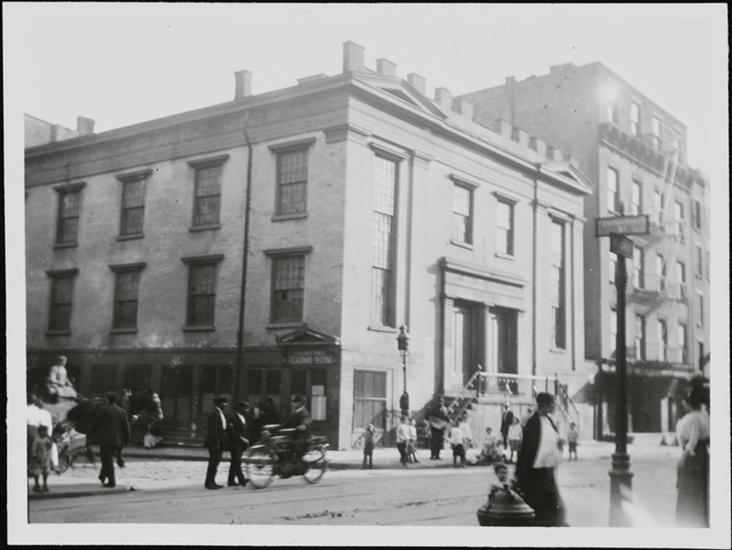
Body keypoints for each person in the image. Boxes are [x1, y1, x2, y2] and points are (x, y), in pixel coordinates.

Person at [515, 392, 568, 527]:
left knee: (553, 506)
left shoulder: (550, 420)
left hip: (548, 471)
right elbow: (527, 450)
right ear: (545, 405)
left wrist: (559, 443)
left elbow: (553, 440)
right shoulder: (533, 423)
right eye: (552, 404)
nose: (554, 407)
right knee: (538, 504)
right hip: (535, 473)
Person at [675, 385, 710, 527]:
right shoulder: (703, 415)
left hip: (693, 456)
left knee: (690, 489)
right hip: (701, 455)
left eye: (684, 400)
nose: (682, 403)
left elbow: (693, 441)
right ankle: (698, 520)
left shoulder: (694, 417)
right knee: (697, 489)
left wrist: (682, 458)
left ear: (688, 402)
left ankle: (689, 521)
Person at [87, 391, 130, 489]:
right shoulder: (122, 411)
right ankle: (102, 476)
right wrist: (126, 440)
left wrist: (89, 433)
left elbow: (95, 423)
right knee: (107, 459)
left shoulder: (103, 410)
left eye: (105, 398)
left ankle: (111, 482)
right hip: (117, 440)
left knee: (107, 461)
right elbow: (126, 428)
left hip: (105, 440)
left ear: (108, 399)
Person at [204, 395, 229, 489]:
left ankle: (212, 481)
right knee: (213, 463)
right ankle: (209, 483)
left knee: (215, 463)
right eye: (224, 403)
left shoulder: (219, 413)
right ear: (219, 404)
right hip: (215, 442)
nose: (225, 405)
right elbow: (213, 430)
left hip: (220, 442)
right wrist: (216, 442)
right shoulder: (214, 414)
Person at [281, 395, 312, 462]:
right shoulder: (294, 413)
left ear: (299, 403)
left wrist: (303, 426)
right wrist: (273, 429)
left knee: (296, 445)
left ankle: (299, 462)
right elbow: (285, 424)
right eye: (292, 402)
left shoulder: (305, 413)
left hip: (302, 437)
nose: (292, 403)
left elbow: (306, 423)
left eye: (294, 402)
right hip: (294, 436)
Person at [227, 401, 250, 487]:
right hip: (234, 442)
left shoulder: (243, 418)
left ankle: (231, 480)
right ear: (240, 409)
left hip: (241, 443)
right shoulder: (232, 417)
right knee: (237, 461)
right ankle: (241, 479)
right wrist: (240, 438)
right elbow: (230, 430)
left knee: (234, 462)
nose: (246, 410)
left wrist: (246, 439)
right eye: (245, 408)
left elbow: (244, 430)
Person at [29, 425, 55, 492]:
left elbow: (49, 449)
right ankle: (36, 485)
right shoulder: (37, 440)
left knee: (45, 472)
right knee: (36, 472)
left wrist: (50, 458)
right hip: (38, 459)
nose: (44, 433)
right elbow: (33, 449)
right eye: (43, 431)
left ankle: (45, 485)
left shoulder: (47, 439)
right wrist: (35, 457)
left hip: (46, 459)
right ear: (39, 432)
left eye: (45, 431)